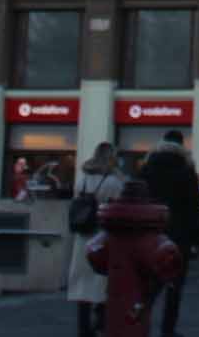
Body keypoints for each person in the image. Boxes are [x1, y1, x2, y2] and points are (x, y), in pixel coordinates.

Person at [139, 132, 199, 337]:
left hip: (150, 231)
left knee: (150, 283)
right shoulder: (186, 169)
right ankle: (168, 329)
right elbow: (195, 206)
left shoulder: (148, 167)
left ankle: (138, 320)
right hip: (179, 234)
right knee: (174, 285)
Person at [65, 143, 122, 336]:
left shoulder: (82, 178)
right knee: (102, 282)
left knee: (82, 284)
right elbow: (119, 206)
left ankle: (83, 328)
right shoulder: (113, 181)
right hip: (103, 233)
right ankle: (101, 322)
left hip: (83, 234)